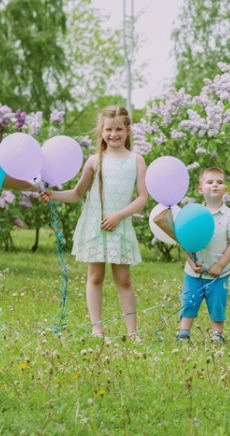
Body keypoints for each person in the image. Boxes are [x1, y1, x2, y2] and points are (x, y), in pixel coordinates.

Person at [40, 106, 148, 341]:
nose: (114, 134)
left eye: (119, 129)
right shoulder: (94, 160)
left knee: (123, 279)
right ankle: (97, 328)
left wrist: (119, 215)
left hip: (118, 225)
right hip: (96, 225)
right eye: (108, 129)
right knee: (95, 277)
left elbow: (142, 198)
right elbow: (78, 193)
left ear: (128, 130)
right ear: (101, 131)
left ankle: (132, 332)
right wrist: (54, 195)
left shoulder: (136, 161)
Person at [176, 167, 230, 345]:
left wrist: (220, 265)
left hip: (219, 274)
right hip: (194, 272)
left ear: (225, 189)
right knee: (189, 301)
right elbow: (184, 240)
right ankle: (184, 332)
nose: (215, 185)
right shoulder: (193, 214)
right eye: (210, 182)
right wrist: (190, 262)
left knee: (217, 304)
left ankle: (217, 334)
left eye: (219, 182)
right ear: (201, 189)